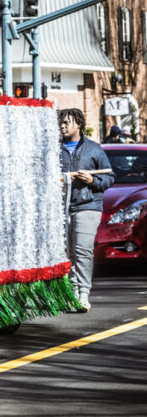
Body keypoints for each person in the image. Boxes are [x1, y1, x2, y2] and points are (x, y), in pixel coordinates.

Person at [59, 108, 113, 312]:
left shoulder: (94, 149)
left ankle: (83, 293)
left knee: (82, 250)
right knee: (66, 252)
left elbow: (109, 178)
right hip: (62, 207)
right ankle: (70, 292)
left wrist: (92, 180)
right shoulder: (56, 149)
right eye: (61, 123)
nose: (63, 127)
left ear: (79, 124)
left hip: (88, 206)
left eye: (67, 123)